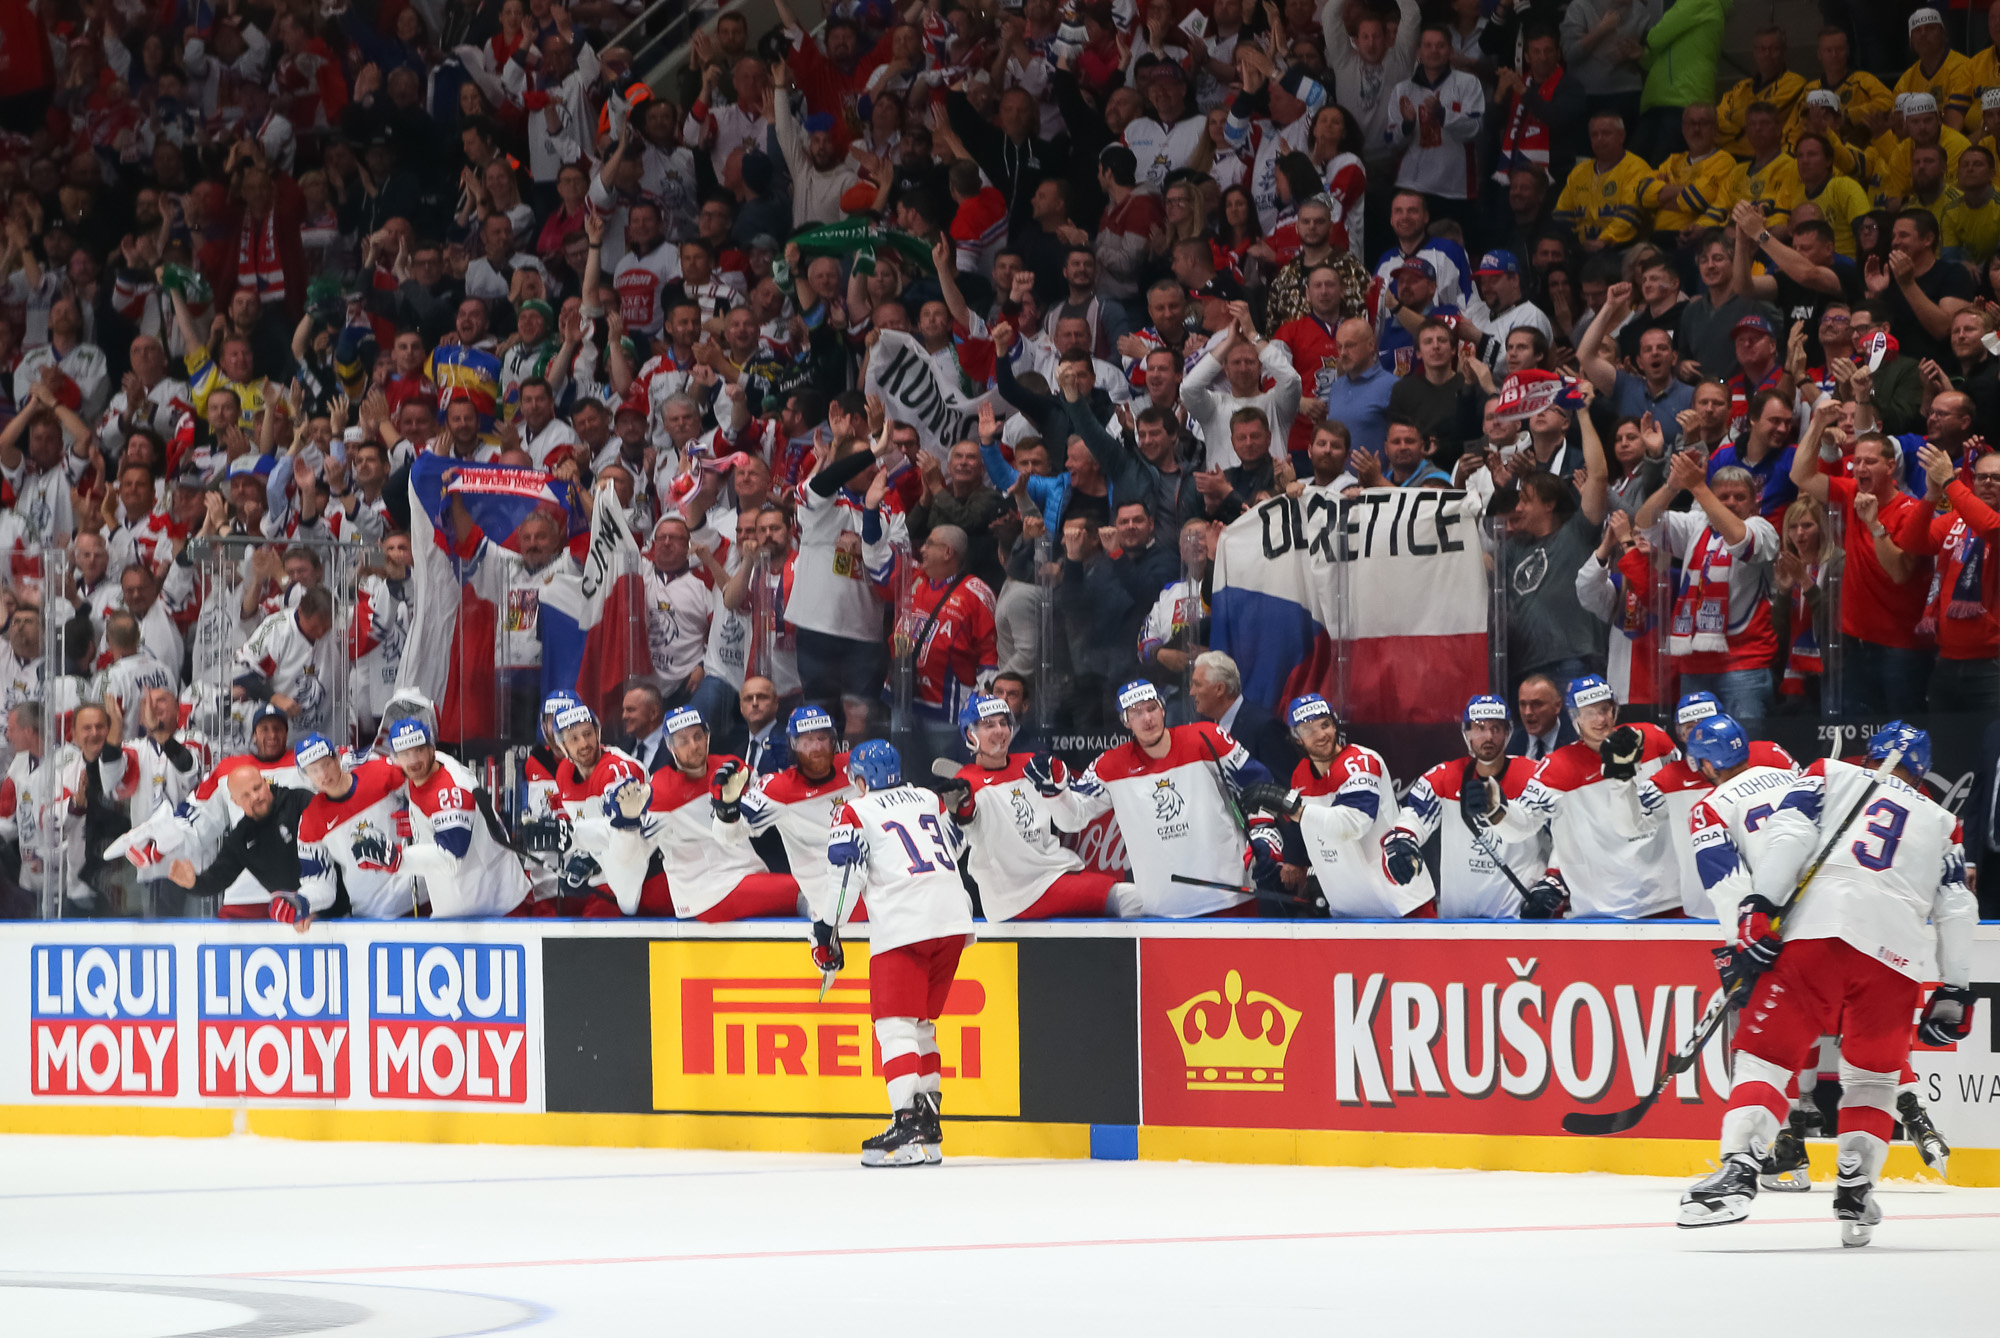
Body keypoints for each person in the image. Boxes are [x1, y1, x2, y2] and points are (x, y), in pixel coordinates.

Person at [1677, 723, 1975, 1245]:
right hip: (1898, 957)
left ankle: (1741, 1169)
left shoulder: (1827, 773)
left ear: (1870, 753)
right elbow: (1955, 905)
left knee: (1765, 1059)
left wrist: (1759, 906)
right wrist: (1955, 986)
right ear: (1923, 772)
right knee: (1875, 1080)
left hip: (1819, 934)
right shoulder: (1944, 821)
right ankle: (1856, 1189)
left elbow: (1790, 834)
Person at [817, 738, 974, 1167]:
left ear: (862, 780)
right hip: (954, 918)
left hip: (905, 922)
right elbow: (955, 846)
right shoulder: (927, 797)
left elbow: (844, 874)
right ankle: (929, 1127)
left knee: (894, 1026)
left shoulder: (853, 810)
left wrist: (827, 930)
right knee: (921, 1025)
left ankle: (905, 1125)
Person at [1069, 680, 1279, 917]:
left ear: (1163, 709)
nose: (1147, 718)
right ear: (1125, 721)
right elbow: (1073, 818)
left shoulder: (1206, 738)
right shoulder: (1108, 766)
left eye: (1151, 708)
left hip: (1229, 900)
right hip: (1161, 911)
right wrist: (1054, 791)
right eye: (1136, 713)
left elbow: (1258, 786)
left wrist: (1266, 842)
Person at [1485, 674, 1680, 918]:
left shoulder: (1653, 739)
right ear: (1575, 717)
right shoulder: (1557, 768)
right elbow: (1523, 825)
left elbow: (1682, 798)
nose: (1600, 719)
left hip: (1670, 898)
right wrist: (1496, 809)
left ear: (1615, 709)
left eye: (1605, 709)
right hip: (1602, 910)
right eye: (1589, 712)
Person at [1787, 398, 1933, 715]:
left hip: (1900, 647)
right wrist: (1815, 425)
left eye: (1870, 462)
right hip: (1853, 641)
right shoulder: (1851, 491)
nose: (1861, 468)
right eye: (1857, 462)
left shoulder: (1911, 512)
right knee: (1854, 737)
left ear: (1891, 466)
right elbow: (1801, 476)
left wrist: (1872, 523)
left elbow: (1898, 572)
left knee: (1900, 735)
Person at [940, 694, 1140, 920]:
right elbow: (950, 849)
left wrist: (1056, 792)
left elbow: (1071, 821)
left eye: (1004, 723)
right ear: (970, 734)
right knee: (1132, 899)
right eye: (989, 725)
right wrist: (961, 813)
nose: (1000, 730)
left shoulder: (1033, 765)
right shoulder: (962, 785)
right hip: (1019, 894)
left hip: (1055, 876)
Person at [1249, 693, 1434, 918]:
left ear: (1335, 726)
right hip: (1347, 910)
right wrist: (1281, 860)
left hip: (1400, 906)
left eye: (1325, 725)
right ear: (1297, 737)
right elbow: (1305, 828)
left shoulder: (1362, 761)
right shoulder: (1300, 775)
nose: (1321, 735)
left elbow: (1351, 823)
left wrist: (1294, 809)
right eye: (1309, 730)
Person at [1634, 454, 1782, 725]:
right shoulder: (1696, 525)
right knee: (1700, 754)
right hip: (1694, 665)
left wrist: (1700, 489)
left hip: (1744, 665)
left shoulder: (1762, 528)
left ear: (1753, 502)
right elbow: (1645, 523)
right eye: (1723, 496)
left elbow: (1739, 542)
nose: (1731, 503)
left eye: (1739, 497)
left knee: (1747, 755)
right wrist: (1673, 486)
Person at [626, 705, 800, 921]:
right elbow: (635, 849)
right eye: (683, 741)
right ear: (670, 746)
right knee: (805, 892)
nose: (694, 746)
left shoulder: (729, 768)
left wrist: (789, 769)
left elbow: (772, 795)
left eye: (698, 736)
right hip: (708, 895)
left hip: (744, 878)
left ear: (707, 736)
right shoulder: (659, 792)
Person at [1390, 694, 1547, 917]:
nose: (1488, 736)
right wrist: (1402, 840)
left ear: (1507, 732)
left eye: (1496, 728)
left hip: (1517, 920)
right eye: (1479, 728)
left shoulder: (1535, 775)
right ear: (1467, 733)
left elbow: (1557, 834)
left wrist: (1552, 878)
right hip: (1459, 924)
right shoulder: (1444, 776)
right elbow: (1415, 816)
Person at [719, 705, 855, 920]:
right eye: (807, 741)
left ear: (834, 741)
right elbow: (727, 837)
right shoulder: (777, 790)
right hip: (831, 898)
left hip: (872, 884)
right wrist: (726, 808)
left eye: (822, 738)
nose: (817, 747)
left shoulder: (854, 768)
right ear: (793, 746)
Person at [1891, 444, 2000, 711]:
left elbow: (1988, 526)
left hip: (1993, 665)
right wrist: (1931, 495)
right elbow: (1911, 542)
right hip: (1946, 662)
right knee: (1947, 750)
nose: (1987, 483)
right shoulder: (1955, 520)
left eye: (1996, 478)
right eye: (1981, 476)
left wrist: (1950, 482)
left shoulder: (1987, 521)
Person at [388, 716, 530, 918]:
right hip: (467, 907)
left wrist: (396, 858)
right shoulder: (431, 769)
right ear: (395, 758)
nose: (413, 760)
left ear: (431, 748)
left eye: (419, 750)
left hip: (496, 908)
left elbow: (451, 857)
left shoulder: (451, 791)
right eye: (405, 753)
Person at [165, 764, 320, 929]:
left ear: (266, 783)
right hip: (293, 918)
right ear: (235, 801)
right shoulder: (241, 837)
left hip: (332, 910)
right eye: (245, 795)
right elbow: (217, 878)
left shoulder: (301, 802)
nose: (255, 797)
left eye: (257, 788)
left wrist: (319, 909)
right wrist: (193, 883)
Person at [294, 732, 417, 920]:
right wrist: (302, 901)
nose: (323, 775)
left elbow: (425, 793)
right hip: (370, 913)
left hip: (418, 896)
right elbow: (320, 884)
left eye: (326, 764)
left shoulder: (381, 772)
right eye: (314, 770)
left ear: (337, 759)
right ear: (306, 776)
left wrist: (416, 818)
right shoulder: (310, 821)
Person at [1508, 673, 1576, 760]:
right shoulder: (1509, 743)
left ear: (1557, 706)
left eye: (1537, 704)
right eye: (1523, 704)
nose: (1527, 712)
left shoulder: (1575, 740)